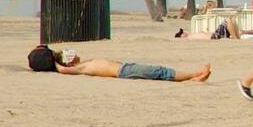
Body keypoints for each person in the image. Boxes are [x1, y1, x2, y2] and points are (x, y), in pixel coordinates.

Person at [51, 52, 212, 83]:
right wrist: (54, 61)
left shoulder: (84, 63)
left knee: (159, 71)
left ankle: (194, 77)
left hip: (125, 68)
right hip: (124, 71)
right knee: (160, 72)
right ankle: (195, 74)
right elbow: (63, 70)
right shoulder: (81, 68)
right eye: (68, 54)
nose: (73, 53)